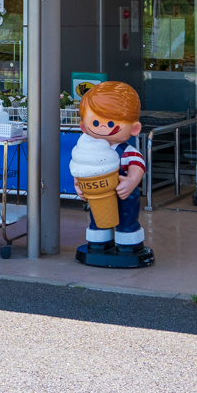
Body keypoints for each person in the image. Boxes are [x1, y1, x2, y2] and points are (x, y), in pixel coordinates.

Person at [72, 81, 153, 268]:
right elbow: (80, 168)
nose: (102, 128)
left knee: (127, 217)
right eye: (95, 122)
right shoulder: (85, 152)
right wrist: (79, 185)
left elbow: (138, 165)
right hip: (96, 193)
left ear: (134, 129)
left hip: (125, 194)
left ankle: (128, 244)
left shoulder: (127, 151)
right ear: (83, 127)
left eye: (110, 123)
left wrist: (131, 181)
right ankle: (99, 240)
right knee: (97, 217)